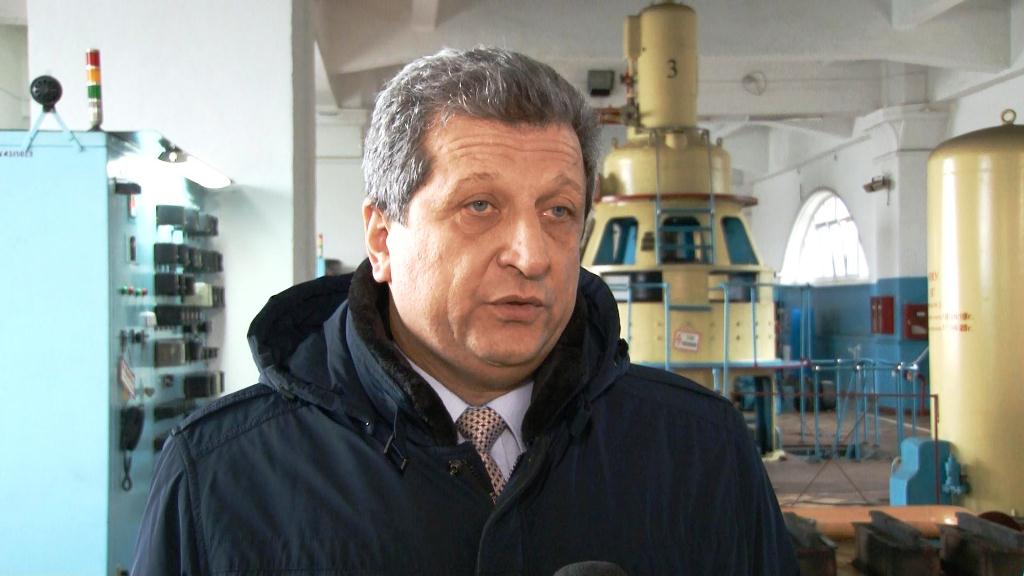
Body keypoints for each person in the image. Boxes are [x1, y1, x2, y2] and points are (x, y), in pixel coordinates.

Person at [132, 47, 798, 575]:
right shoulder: (220, 474)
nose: (531, 256)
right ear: (381, 238)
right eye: (480, 206)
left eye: (558, 211)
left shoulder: (701, 452)